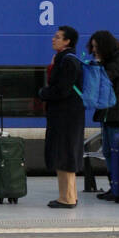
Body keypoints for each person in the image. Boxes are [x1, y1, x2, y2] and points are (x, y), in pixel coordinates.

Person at [38, 24, 84, 209]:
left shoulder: (68, 61)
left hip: (66, 115)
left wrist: (43, 93)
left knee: (64, 153)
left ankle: (67, 198)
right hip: (67, 114)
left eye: (58, 37)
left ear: (67, 41)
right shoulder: (65, 59)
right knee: (65, 153)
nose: (53, 39)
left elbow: (62, 89)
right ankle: (68, 195)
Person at [87, 30, 119, 198]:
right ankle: (114, 186)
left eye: (96, 47)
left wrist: (97, 65)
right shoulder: (111, 62)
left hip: (114, 111)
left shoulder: (115, 63)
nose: (94, 50)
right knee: (108, 151)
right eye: (93, 47)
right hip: (108, 111)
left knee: (114, 150)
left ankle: (118, 187)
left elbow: (104, 82)